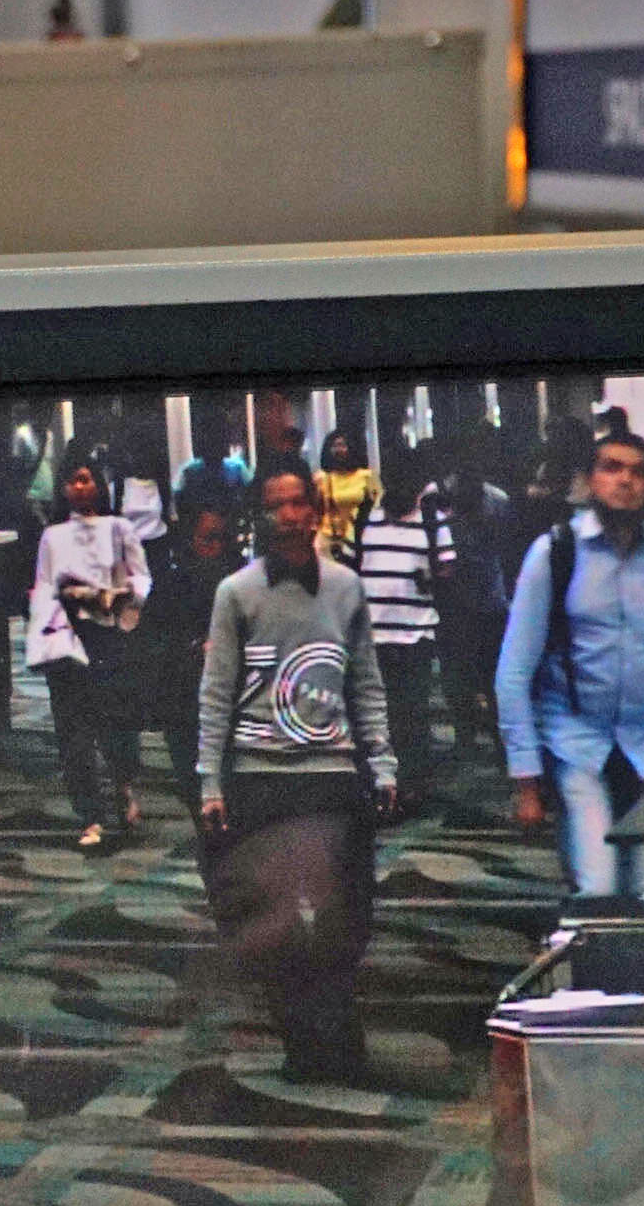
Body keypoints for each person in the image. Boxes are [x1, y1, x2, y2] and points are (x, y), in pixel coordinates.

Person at [195, 463, 397, 1085]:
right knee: (276, 921)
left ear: (316, 511)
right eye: (275, 505)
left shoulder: (346, 587)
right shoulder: (236, 592)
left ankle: (337, 1036)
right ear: (261, 515)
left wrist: (382, 762)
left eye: (298, 503)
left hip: (331, 773)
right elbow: (216, 693)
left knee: (342, 914)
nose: (288, 515)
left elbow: (364, 681)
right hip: (260, 777)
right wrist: (210, 780)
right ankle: (303, 1043)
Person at [493, 429, 644, 898]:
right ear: (590, 481)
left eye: (638, 471)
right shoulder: (556, 552)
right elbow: (514, 671)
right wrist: (527, 781)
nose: (625, 481)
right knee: (596, 890)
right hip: (577, 743)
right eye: (611, 468)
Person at [24, 457, 152, 852]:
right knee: (74, 732)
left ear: (99, 485)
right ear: (63, 489)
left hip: (109, 634)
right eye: (73, 482)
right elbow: (44, 586)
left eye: (86, 480)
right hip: (68, 638)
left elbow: (142, 577)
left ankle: (124, 787)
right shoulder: (53, 536)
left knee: (117, 721)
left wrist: (122, 595)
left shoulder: (120, 528)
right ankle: (90, 814)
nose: (79, 488)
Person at [131, 497, 245, 823]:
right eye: (207, 539)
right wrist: (194, 647)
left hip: (232, 700)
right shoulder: (172, 578)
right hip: (183, 696)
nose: (215, 548)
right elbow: (152, 637)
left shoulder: (240, 578)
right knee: (193, 786)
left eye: (222, 539)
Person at [354, 454, 452, 794]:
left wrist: (429, 580)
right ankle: (382, 782)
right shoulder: (367, 516)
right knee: (376, 713)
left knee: (411, 711)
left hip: (416, 633)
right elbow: (354, 567)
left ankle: (412, 784)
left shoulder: (432, 520)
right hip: (374, 635)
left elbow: (448, 572)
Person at [426, 449, 513, 753]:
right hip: (475, 599)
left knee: (470, 675)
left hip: (475, 599)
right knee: (478, 675)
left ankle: (473, 738)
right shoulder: (494, 499)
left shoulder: (446, 497)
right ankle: (486, 738)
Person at [315, 427, 378, 564]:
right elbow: (316, 511)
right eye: (334, 446)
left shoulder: (367, 476)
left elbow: (378, 507)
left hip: (359, 539)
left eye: (342, 445)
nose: (338, 450)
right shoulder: (321, 478)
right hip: (328, 540)